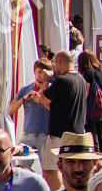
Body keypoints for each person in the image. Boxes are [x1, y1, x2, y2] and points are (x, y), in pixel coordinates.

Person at [34, 50, 91, 182]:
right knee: (71, 170)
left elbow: (44, 99)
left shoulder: (62, 81)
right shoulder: (81, 80)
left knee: (51, 170)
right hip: (77, 133)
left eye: (54, 64)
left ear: (59, 63)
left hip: (59, 134)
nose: (53, 68)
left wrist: (46, 81)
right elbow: (57, 106)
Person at [8, 58, 55, 184]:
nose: (42, 75)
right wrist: (23, 98)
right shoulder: (26, 89)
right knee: (21, 169)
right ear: (34, 72)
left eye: (45, 72)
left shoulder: (52, 89)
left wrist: (42, 101)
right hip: (28, 135)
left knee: (48, 169)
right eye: (39, 72)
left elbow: (56, 111)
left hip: (46, 135)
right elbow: (10, 110)